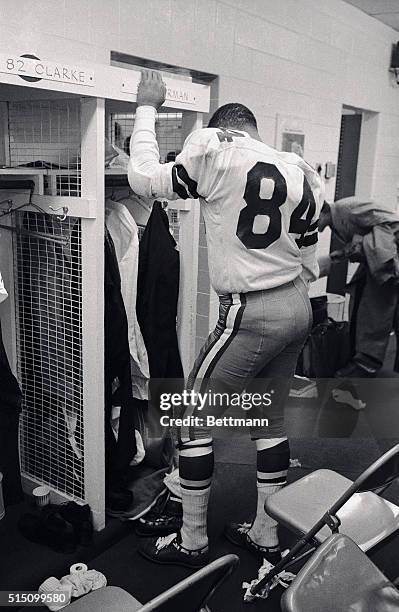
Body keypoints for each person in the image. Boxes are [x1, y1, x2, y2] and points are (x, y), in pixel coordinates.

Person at [128, 69, 323, 568]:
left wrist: (147, 107)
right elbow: (308, 254)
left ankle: (192, 539)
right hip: (297, 302)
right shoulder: (298, 168)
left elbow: (143, 180)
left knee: (193, 420)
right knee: (269, 419)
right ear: (255, 130)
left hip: (250, 311)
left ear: (224, 128)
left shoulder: (215, 148)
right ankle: (265, 531)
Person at [318, 197, 399, 377]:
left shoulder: (347, 209)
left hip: (384, 261)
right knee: (365, 307)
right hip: (376, 262)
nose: (316, 226)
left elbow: (392, 222)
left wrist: (370, 249)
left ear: (323, 212)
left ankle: (366, 363)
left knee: (375, 310)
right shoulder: (337, 217)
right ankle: (362, 358)